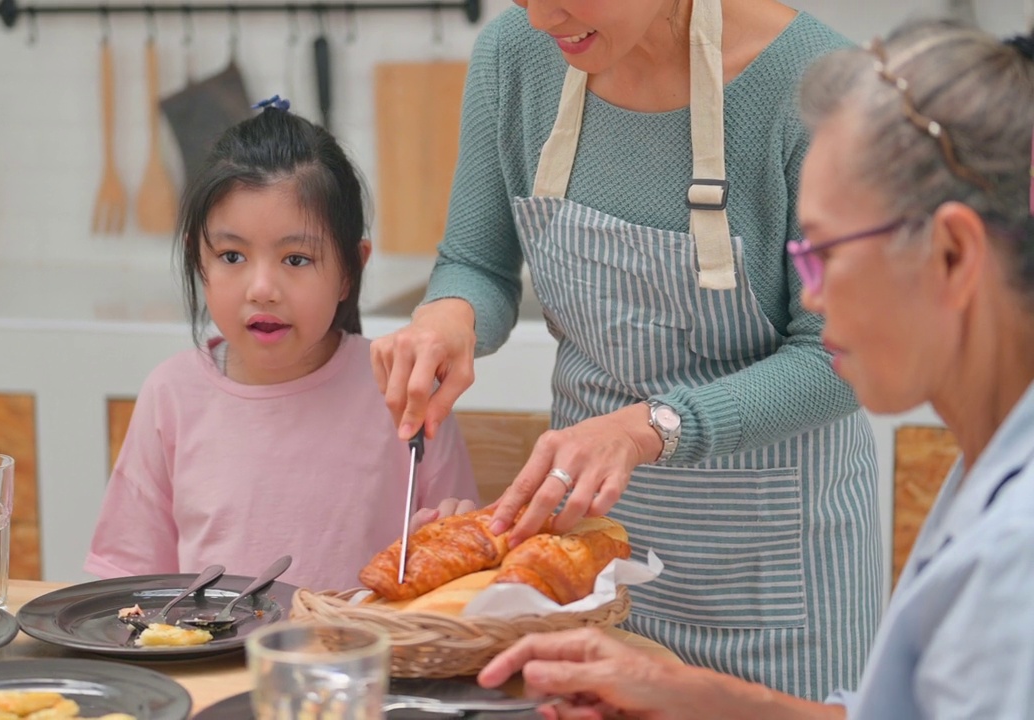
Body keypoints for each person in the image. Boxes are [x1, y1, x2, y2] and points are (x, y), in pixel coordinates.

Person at [478, 20, 1034, 719]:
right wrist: (696, 698)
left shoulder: (1016, 555)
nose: (811, 295)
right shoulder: (990, 475)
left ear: (953, 254)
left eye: (825, 252)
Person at [371, 0, 880, 698]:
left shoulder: (821, 88)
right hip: (584, 568)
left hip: (773, 587)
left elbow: (840, 356)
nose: (544, 17)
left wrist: (648, 428)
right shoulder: (515, 56)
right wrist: (448, 319)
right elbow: (476, 263)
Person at [85, 98, 478, 591]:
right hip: (211, 668)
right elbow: (130, 585)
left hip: (358, 663)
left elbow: (459, 568)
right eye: (232, 255)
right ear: (197, 258)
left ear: (350, 270)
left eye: (296, 259)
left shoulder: (405, 390)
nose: (262, 288)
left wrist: (442, 547)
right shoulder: (171, 394)